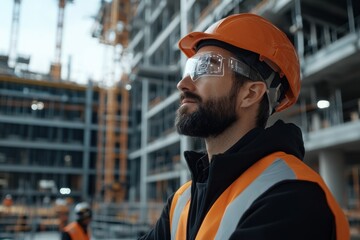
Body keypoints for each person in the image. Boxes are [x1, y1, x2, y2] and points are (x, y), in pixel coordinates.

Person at [138, 13, 350, 240]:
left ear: (250, 94)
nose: (183, 83)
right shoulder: (182, 201)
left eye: (206, 67)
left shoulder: (293, 197)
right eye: (190, 69)